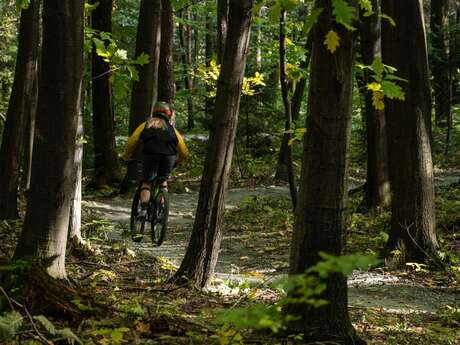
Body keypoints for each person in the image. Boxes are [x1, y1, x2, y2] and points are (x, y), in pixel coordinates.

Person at [122, 101, 188, 217]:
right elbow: (184, 151)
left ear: (154, 113)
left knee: (146, 182)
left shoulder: (146, 125)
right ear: (169, 114)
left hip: (150, 156)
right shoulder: (172, 129)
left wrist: (126, 156)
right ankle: (162, 209)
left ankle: (143, 209)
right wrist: (178, 161)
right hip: (169, 158)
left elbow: (132, 141)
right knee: (163, 182)